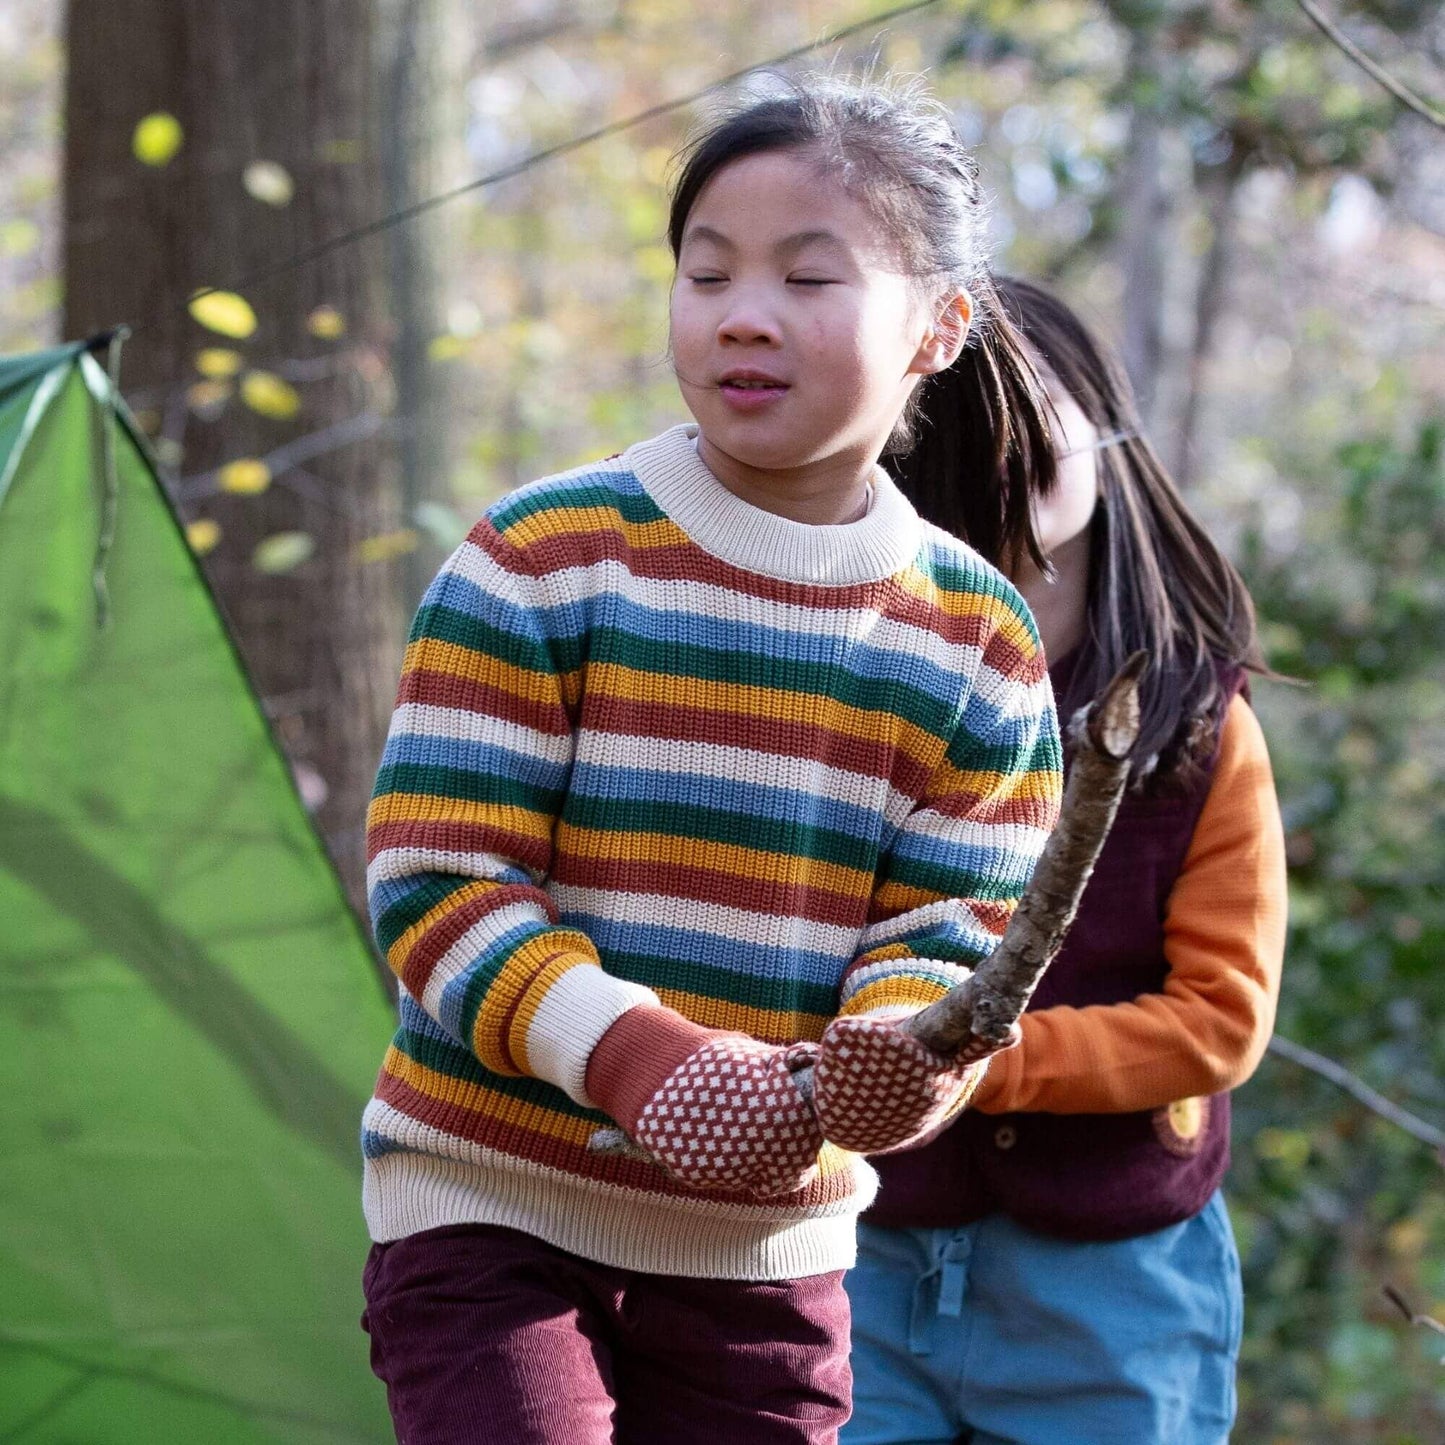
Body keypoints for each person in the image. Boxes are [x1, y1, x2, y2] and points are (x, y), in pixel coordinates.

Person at [356, 75, 1066, 1445]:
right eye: (706, 271)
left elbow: (963, 928)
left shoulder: (976, 635)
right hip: (487, 1201)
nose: (742, 312)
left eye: (810, 277)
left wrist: (908, 1048)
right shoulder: (542, 558)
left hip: (764, 1264)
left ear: (940, 326)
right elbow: (437, 887)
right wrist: (628, 1053)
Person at [844, 276, 1288, 1445]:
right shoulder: (859, 696)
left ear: (1099, 422)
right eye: (958, 409)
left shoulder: (1197, 725)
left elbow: (1216, 1020)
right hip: (861, 1259)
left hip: (1114, 1285)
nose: (1002, 440)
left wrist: (976, 1060)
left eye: (1030, 407)